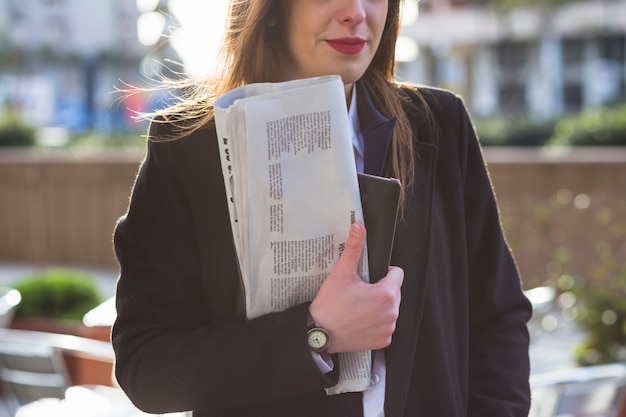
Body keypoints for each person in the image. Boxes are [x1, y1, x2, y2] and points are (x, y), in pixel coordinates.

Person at [112, 0, 533, 416]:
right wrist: (316, 333)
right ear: (273, 8)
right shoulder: (188, 146)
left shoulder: (439, 123)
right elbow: (147, 367)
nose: (356, 12)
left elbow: (497, 316)